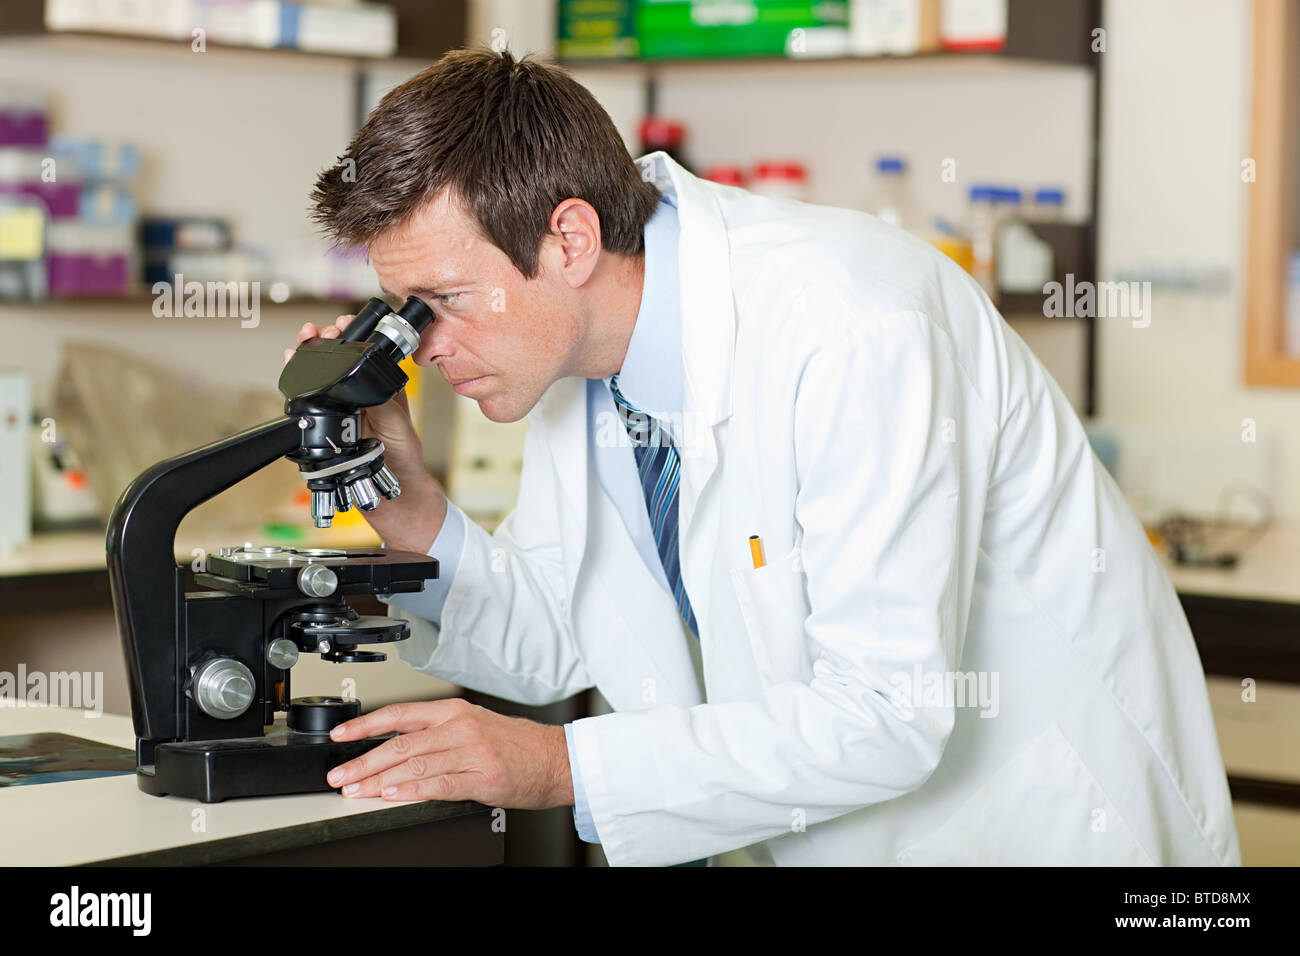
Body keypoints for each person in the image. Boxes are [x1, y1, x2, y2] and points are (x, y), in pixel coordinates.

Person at [294, 48, 1240, 867]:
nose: (422, 346)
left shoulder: (853, 322)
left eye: (444, 300)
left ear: (569, 239)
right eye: (403, 308)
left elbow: (886, 714)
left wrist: (558, 766)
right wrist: (406, 500)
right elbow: (557, 633)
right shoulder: (575, 357)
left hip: (1044, 831)